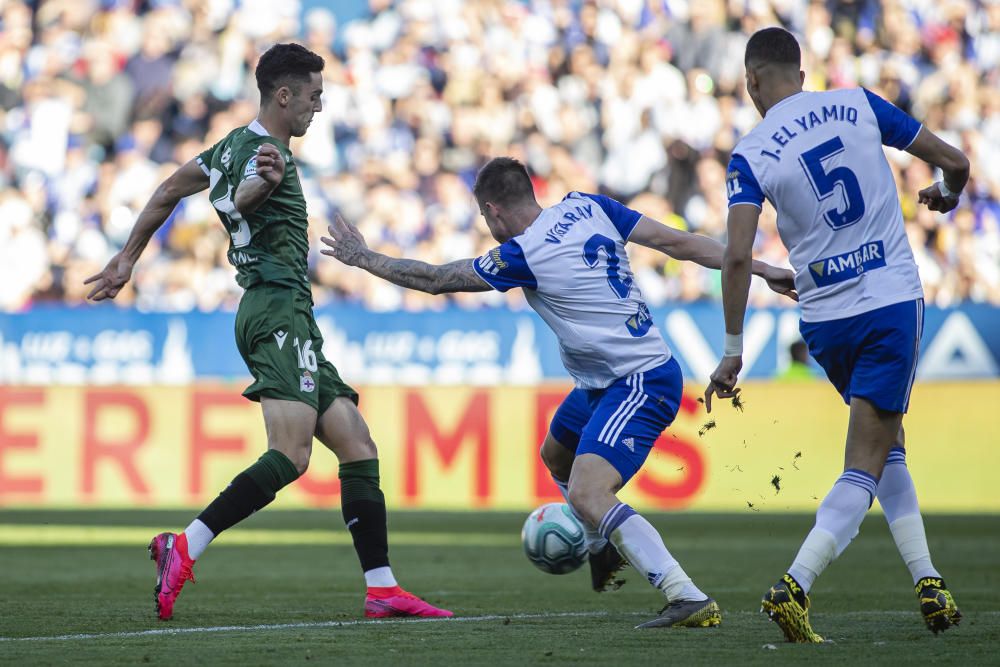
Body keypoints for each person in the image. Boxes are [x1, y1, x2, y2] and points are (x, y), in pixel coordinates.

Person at [320, 156, 797, 629]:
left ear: (493, 212)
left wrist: (363, 258)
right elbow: (677, 242)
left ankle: (685, 594)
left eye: (484, 218)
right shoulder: (588, 206)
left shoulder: (524, 252)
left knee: (590, 492)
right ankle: (600, 546)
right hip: (600, 381)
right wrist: (759, 267)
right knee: (556, 454)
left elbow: (436, 280)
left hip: (637, 380)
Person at [84, 43, 451, 622]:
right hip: (276, 309)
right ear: (285, 95)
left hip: (288, 313)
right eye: (313, 97)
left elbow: (167, 192)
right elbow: (242, 201)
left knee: (357, 444)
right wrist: (256, 190)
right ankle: (185, 545)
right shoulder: (263, 154)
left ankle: (381, 587)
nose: (319, 108)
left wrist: (127, 258)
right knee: (292, 453)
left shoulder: (228, 146)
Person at [704, 27, 968, 642]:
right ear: (802, 74)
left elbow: (738, 256)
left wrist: (733, 349)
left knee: (885, 438)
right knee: (866, 455)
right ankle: (794, 584)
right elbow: (955, 161)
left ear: (751, 83)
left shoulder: (750, 151)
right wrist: (947, 194)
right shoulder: (859, 103)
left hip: (824, 319)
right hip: (889, 303)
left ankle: (928, 579)